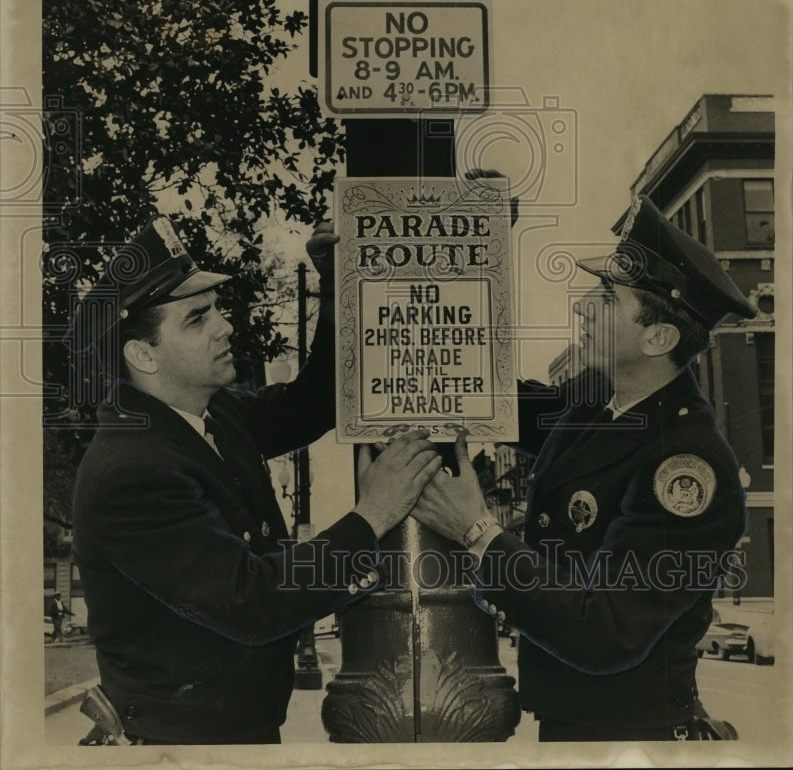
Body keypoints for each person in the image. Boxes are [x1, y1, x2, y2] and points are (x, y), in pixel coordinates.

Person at [69, 214, 441, 745]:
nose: (225, 325)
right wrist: (372, 515)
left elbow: (317, 401)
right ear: (142, 354)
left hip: (230, 733)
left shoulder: (214, 417)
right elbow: (252, 601)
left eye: (215, 309)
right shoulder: (131, 472)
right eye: (197, 319)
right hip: (180, 747)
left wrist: (336, 286)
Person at [412, 194, 757, 742]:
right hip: (572, 723)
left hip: (629, 736)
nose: (581, 308)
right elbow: (483, 390)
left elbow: (605, 631)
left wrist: (478, 534)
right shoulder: (602, 402)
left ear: (658, 337)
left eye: (605, 298)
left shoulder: (687, 468)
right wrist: (479, 250)